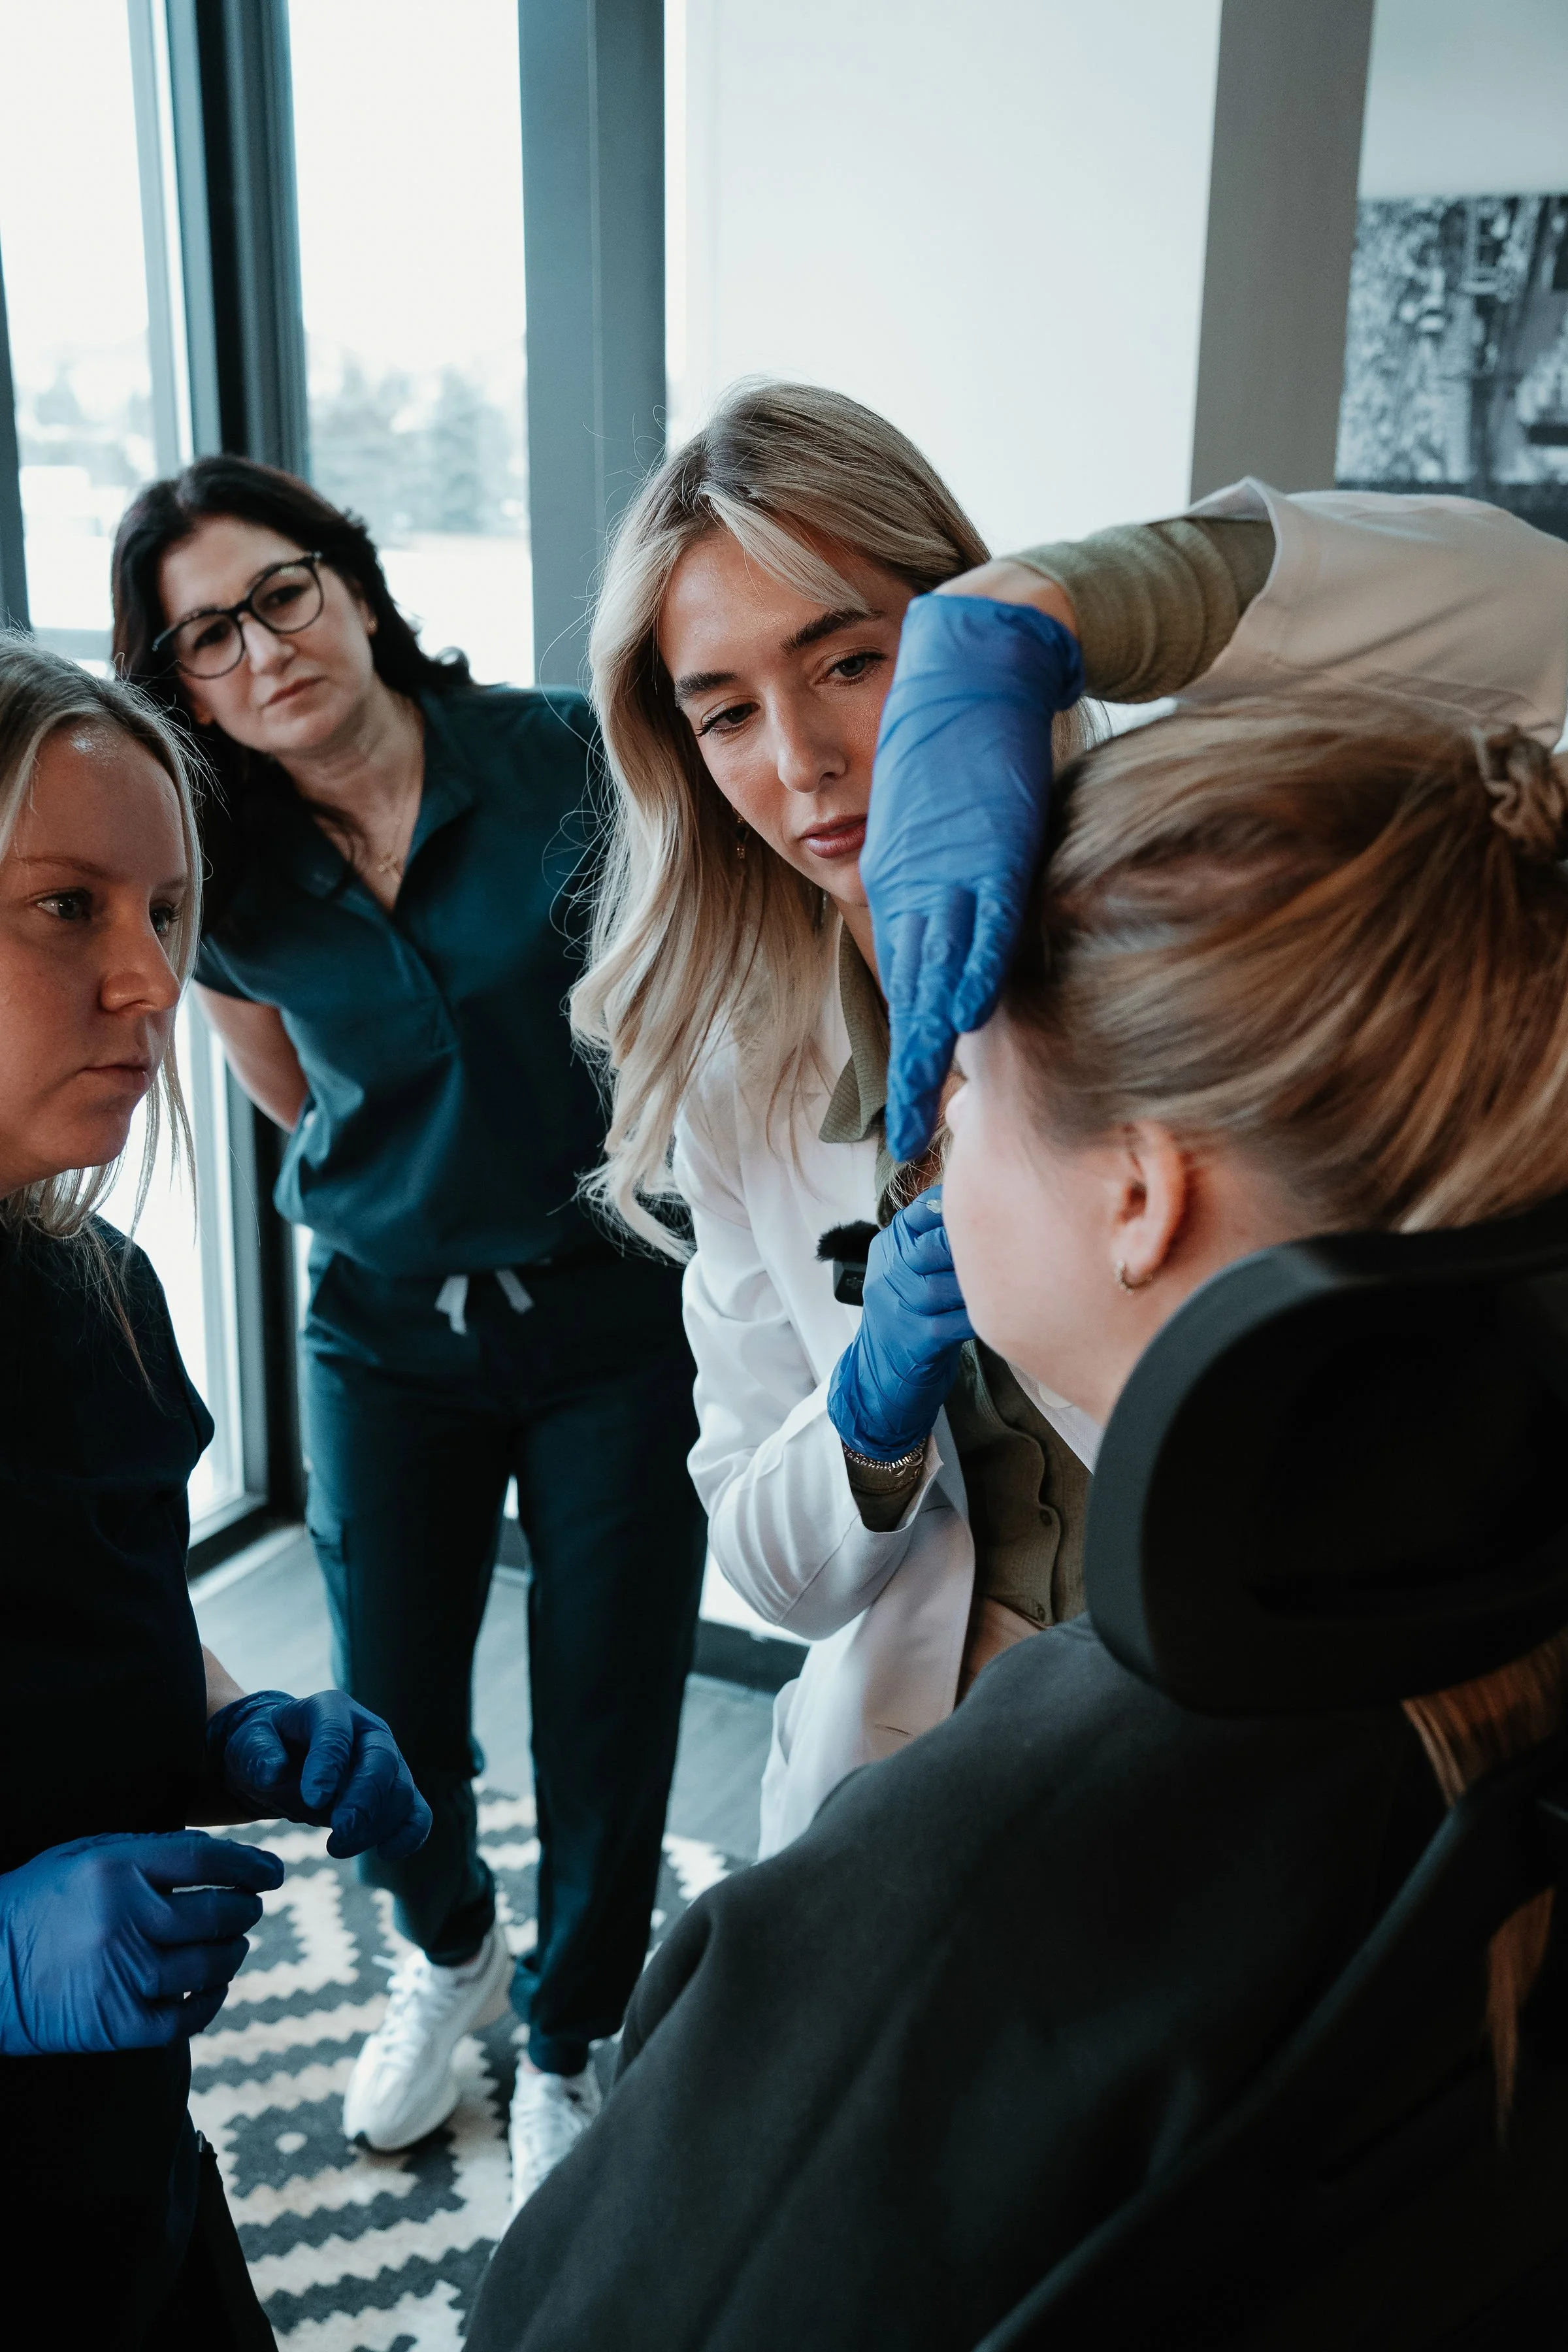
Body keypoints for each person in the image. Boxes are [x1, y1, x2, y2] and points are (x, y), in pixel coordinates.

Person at [466, 696, 1568, 2352]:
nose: (933, 1132)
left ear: (1141, 1190)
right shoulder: (1489, 1633)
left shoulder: (938, 1904)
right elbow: (765, 1553)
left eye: (964, 1078)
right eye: (725, 713)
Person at [572, 379, 1568, 1854]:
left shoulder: (1199, 921)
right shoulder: (743, 1079)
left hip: (1269, 1742)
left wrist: (1047, 605)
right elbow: (776, 1573)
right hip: (933, 1760)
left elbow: (1535, 623)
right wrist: (869, 1411)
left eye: (851, 660)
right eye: (726, 715)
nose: (801, 762)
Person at [111, 457, 706, 2206]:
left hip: (610, 1313)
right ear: (186, 683)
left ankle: (571, 2033)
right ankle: (443, 1953)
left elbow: (687, 991)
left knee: (608, 1702)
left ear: (354, 586)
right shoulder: (220, 869)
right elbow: (290, 1095)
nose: (261, 647)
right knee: (393, 1704)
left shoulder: (569, 756)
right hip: (382, 1334)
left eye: (280, 593)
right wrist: (417, 1203)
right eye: (205, 637)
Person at [0, 635, 429, 2347]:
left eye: (166, 914)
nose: (151, 981)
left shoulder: (94, 1295)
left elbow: (106, 1633)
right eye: (64, 909)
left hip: (125, 2179)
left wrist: (236, 1727)